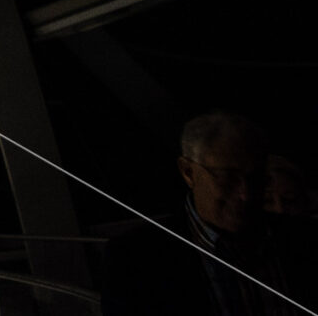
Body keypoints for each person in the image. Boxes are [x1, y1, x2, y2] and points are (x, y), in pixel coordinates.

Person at [103, 112, 318, 315]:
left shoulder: (300, 239)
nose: (246, 194)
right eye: (228, 178)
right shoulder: (137, 259)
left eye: (255, 177)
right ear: (188, 172)